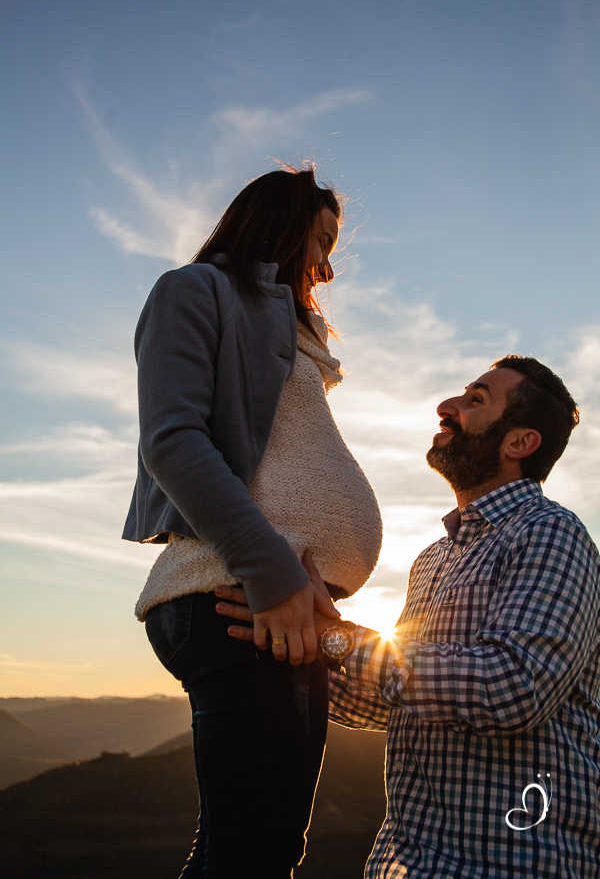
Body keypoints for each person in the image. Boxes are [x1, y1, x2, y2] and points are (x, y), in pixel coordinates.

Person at [217, 354, 600, 878]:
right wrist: (295, 641)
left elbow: (514, 687)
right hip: (403, 864)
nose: (447, 406)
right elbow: (394, 704)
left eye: (476, 400)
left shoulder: (551, 534)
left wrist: (342, 640)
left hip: (513, 863)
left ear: (518, 443)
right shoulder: (432, 561)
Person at [122, 167, 383, 878]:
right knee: (254, 854)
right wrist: (272, 576)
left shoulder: (284, 327)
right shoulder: (194, 289)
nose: (327, 265)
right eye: (321, 240)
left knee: (254, 852)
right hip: (238, 596)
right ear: (280, 219)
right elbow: (172, 439)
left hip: (285, 609)